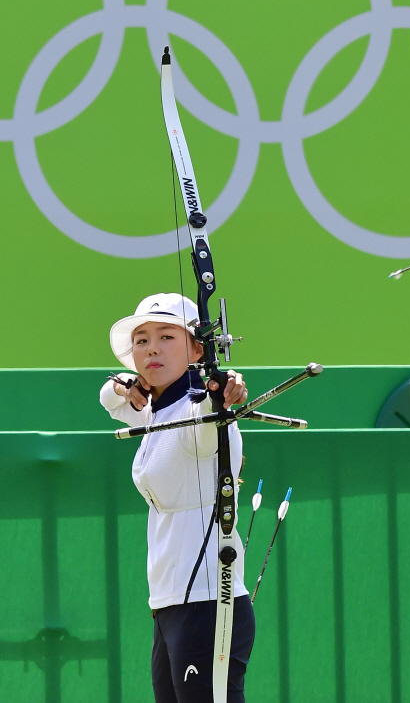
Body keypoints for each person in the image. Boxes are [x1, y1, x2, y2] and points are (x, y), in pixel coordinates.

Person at [99, 292, 255, 703]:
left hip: (208, 602)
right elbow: (110, 398)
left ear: (197, 349)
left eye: (168, 337)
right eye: (142, 339)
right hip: (171, 604)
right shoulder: (156, 411)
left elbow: (209, 410)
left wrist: (222, 391)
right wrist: (127, 387)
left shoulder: (193, 412)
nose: (152, 348)